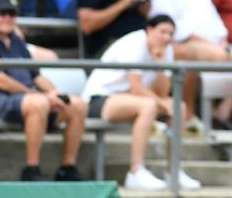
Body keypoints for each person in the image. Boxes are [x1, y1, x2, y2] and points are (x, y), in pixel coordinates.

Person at [0, 0, 87, 181]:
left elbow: (36, 75)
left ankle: (68, 168)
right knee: (38, 103)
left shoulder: (17, 41)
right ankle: (31, 169)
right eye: (2, 12)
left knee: (77, 104)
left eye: (12, 13)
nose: (7, 17)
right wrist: (38, 95)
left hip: (26, 101)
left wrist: (54, 93)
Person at [81, 15, 195, 190]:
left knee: (178, 107)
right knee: (149, 105)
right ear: (149, 30)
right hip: (99, 99)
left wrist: (161, 64)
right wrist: (163, 105)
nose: (166, 37)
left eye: (170, 34)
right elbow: (136, 88)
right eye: (162, 32)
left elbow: (162, 92)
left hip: (132, 100)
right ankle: (136, 172)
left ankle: (174, 170)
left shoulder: (166, 50)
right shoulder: (134, 44)